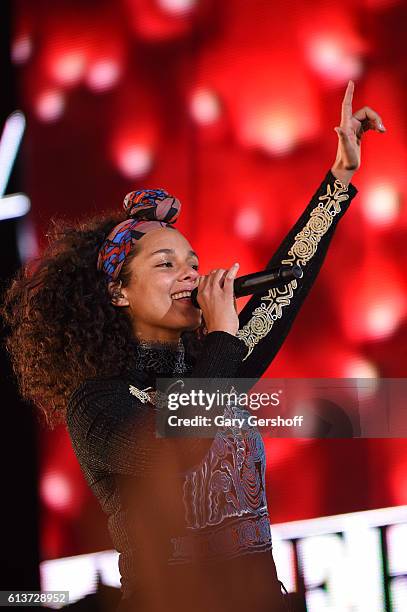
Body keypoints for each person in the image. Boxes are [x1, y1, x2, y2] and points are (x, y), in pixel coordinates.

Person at [1, 81, 385, 611]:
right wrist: (225, 338)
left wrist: (340, 176)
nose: (190, 275)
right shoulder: (97, 403)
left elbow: (289, 279)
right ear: (117, 293)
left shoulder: (216, 364)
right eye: (166, 265)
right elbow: (177, 447)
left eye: (193, 263)